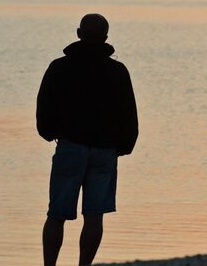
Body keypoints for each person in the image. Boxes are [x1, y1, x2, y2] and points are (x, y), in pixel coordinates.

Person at [36, 14, 138, 266]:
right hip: (104, 151)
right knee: (94, 215)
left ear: (79, 33)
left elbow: (44, 108)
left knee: (56, 214)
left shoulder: (59, 67)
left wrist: (49, 133)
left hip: (70, 147)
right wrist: (124, 146)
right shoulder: (117, 71)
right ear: (105, 37)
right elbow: (129, 114)